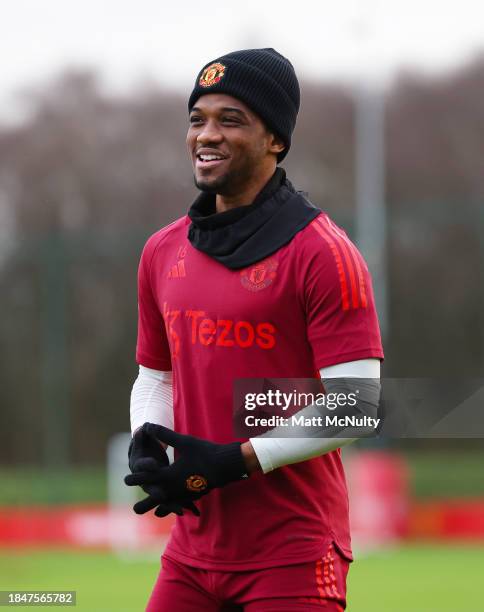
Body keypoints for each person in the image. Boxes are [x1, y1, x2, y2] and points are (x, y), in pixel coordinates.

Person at [125, 48, 384, 611]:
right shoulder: (160, 250)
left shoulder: (324, 253)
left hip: (293, 553)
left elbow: (358, 406)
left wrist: (234, 460)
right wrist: (148, 441)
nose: (206, 134)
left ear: (276, 140)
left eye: (230, 119)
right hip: (191, 555)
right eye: (198, 119)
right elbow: (155, 378)